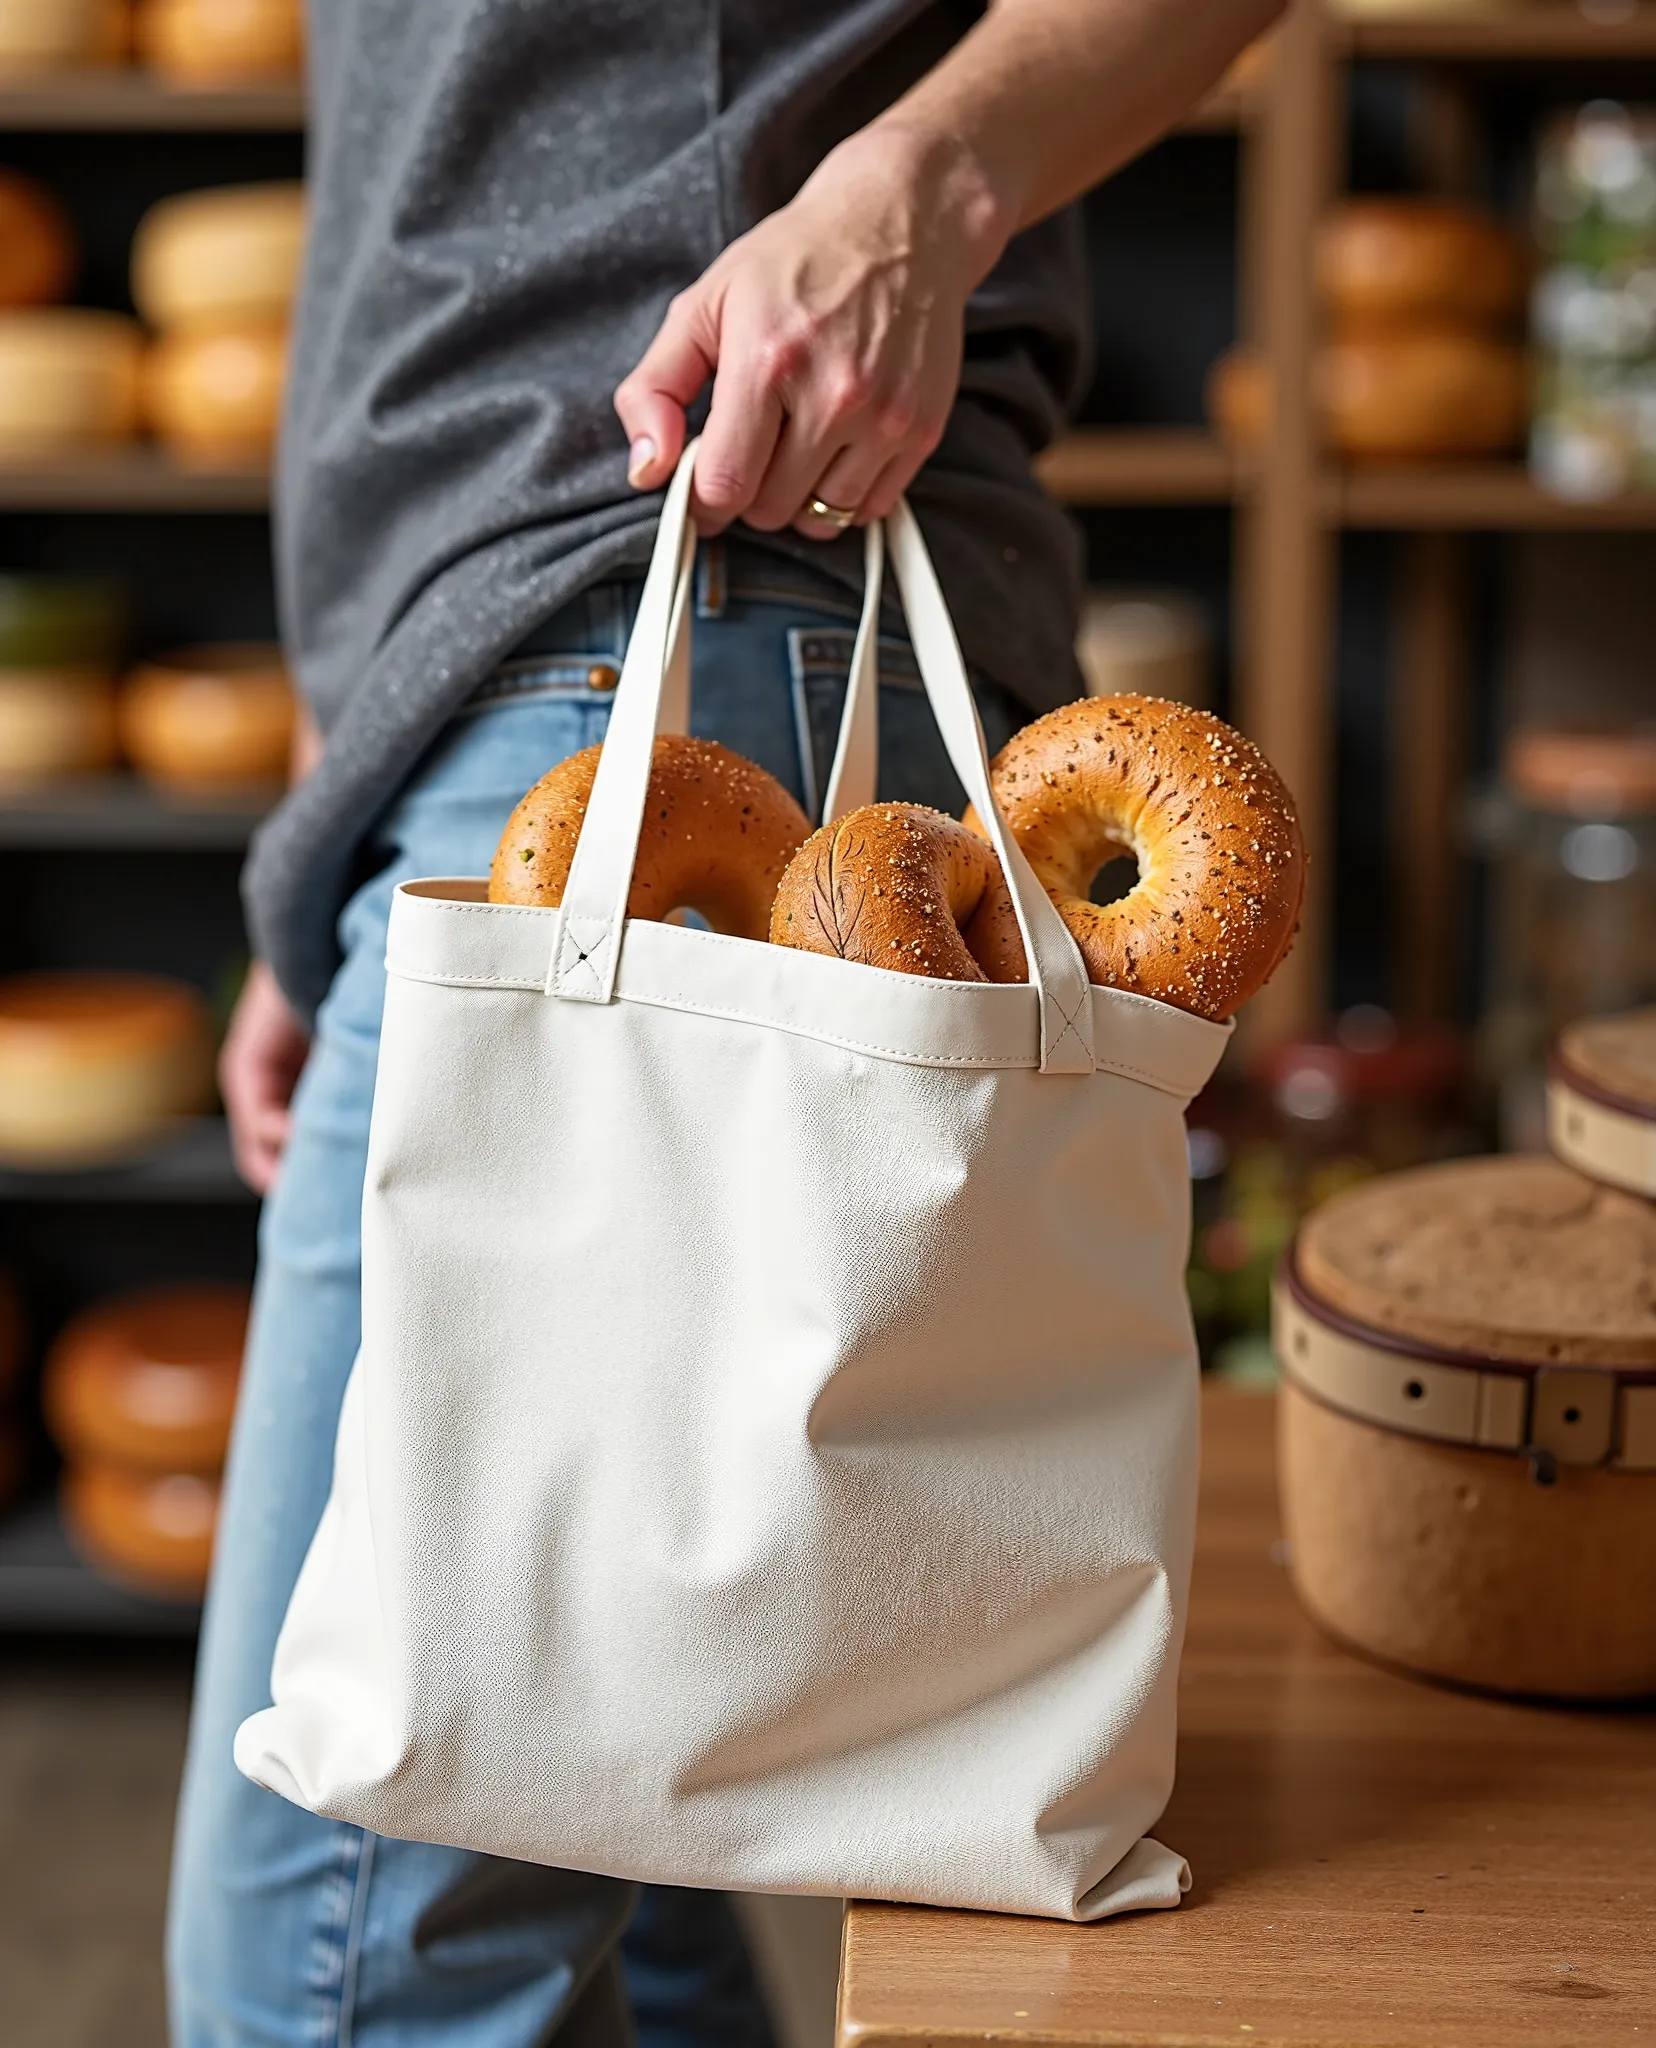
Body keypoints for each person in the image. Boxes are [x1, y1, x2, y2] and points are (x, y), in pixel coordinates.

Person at [167, 1, 1282, 2042]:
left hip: (716, 595)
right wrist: (339, 833)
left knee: (339, 1968)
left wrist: (912, 189)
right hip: (509, 687)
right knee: (634, 1816)